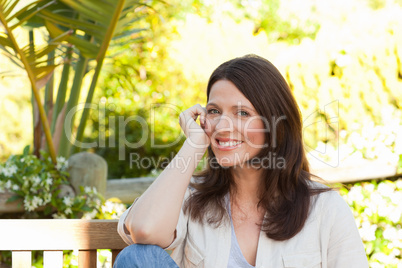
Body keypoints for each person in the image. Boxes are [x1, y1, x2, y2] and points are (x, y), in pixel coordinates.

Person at [114, 55, 369, 268]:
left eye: (242, 113)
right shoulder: (192, 198)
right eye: (214, 111)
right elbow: (144, 231)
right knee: (137, 257)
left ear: (275, 123)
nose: (222, 126)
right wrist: (193, 145)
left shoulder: (325, 208)